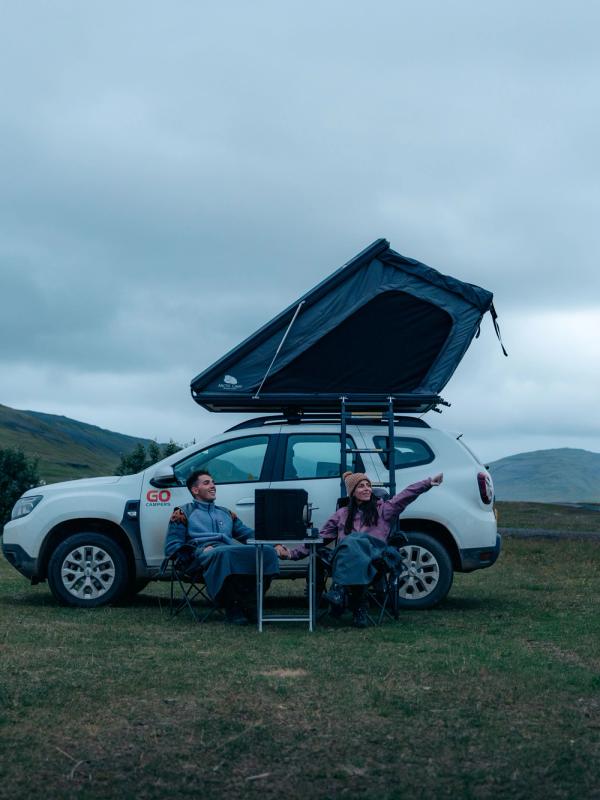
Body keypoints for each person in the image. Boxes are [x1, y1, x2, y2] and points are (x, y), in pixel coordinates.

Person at [278, 470, 443, 628]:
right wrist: (292, 554)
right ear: (352, 492)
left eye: (368, 485)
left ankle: (339, 590)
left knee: (354, 540)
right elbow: (320, 540)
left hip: (374, 557)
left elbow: (406, 495)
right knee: (350, 544)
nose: (367, 489)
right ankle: (359, 608)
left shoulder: (384, 509)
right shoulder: (341, 514)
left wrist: (428, 482)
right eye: (361, 486)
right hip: (349, 559)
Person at [164, 470, 287, 625]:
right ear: (195, 490)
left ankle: (250, 604)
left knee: (266, 552)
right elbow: (172, 547)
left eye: (213, 482)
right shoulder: (182, 513)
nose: (213, 485)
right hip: (198, 558)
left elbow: (248, 534)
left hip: (226, 552)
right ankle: (232, 607)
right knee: (224, 553)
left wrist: (274, 545)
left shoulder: (226, 513)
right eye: (206, 482)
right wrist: (197, 551)